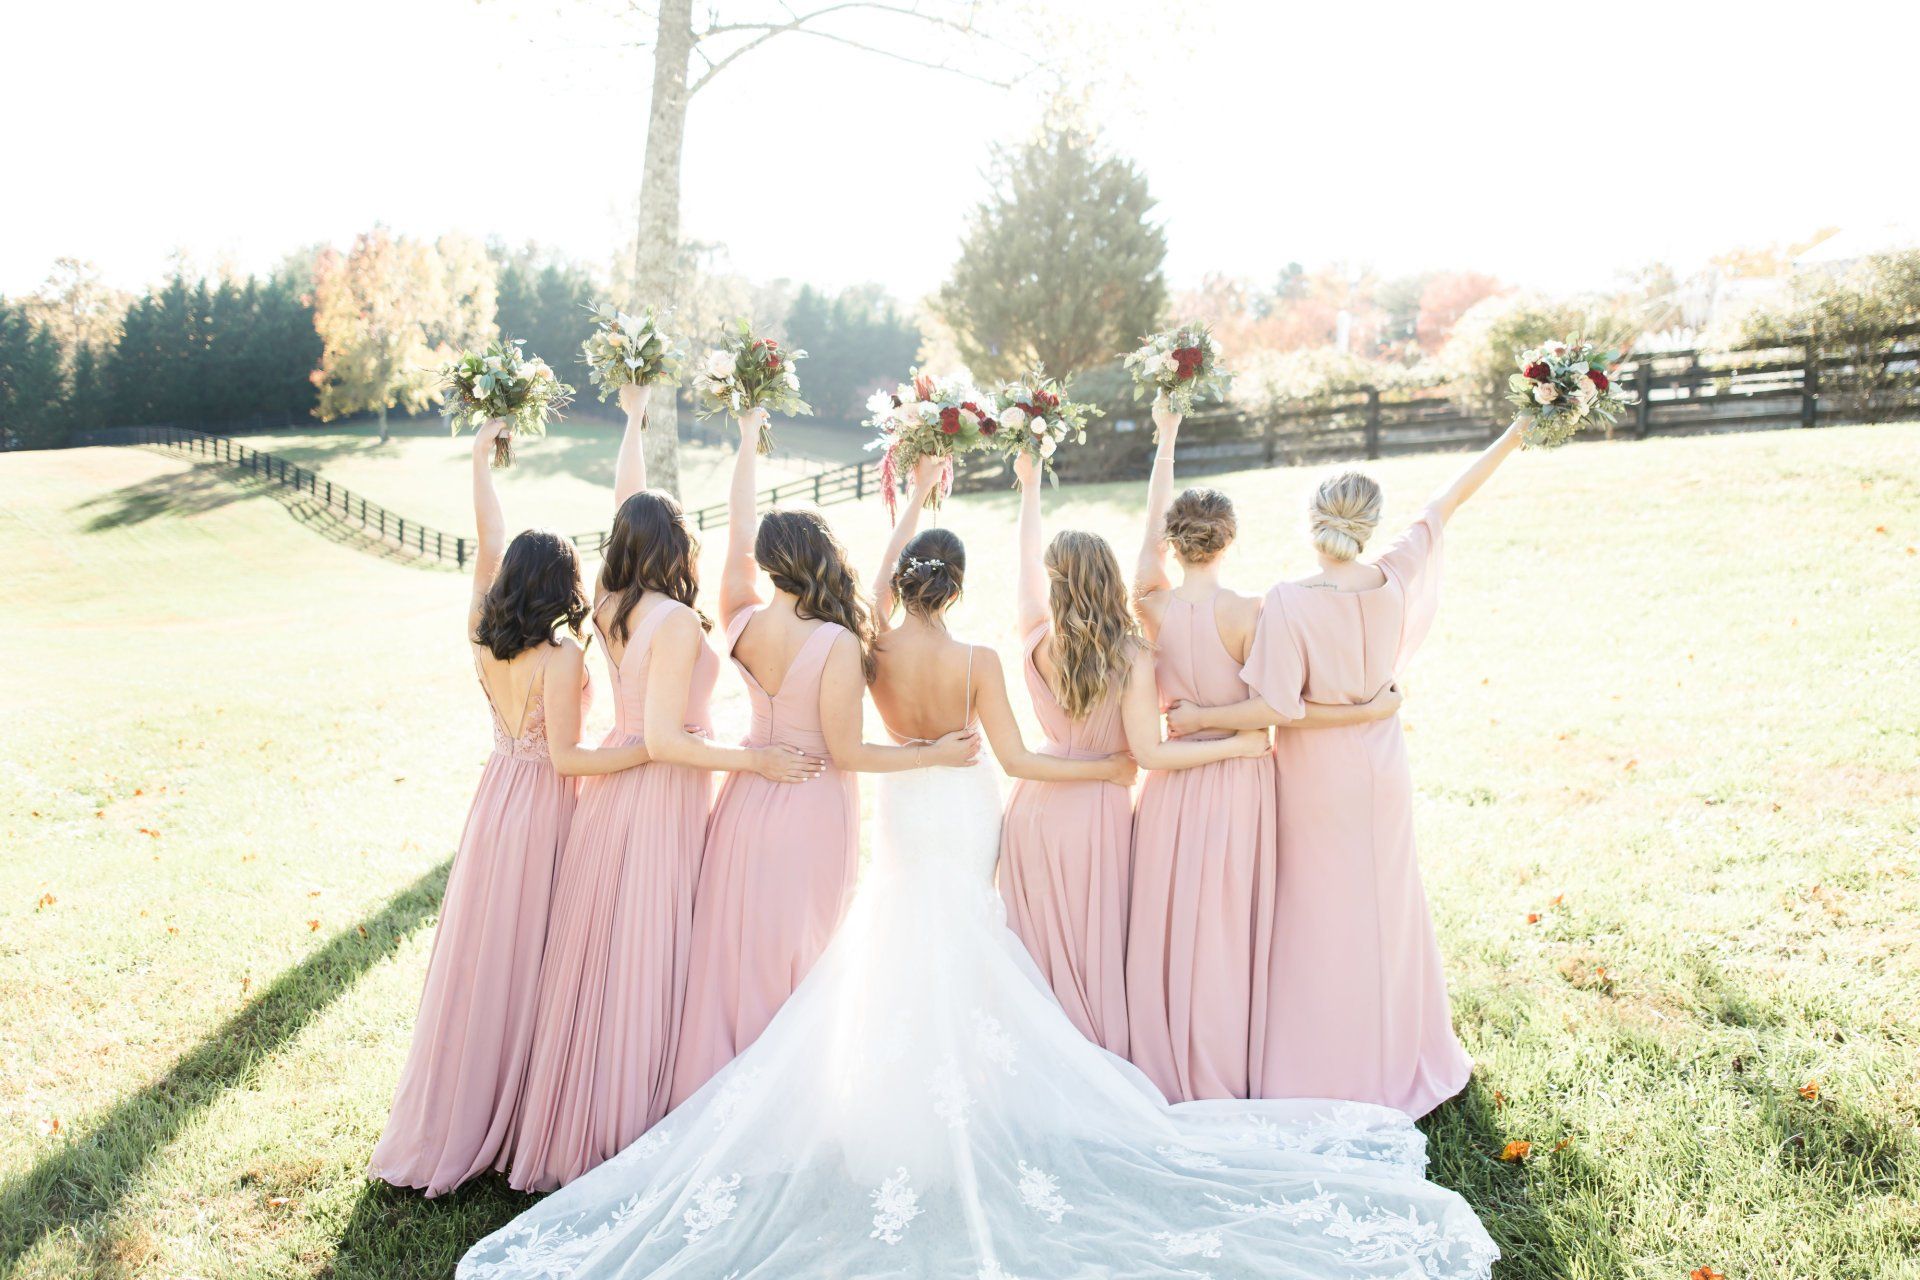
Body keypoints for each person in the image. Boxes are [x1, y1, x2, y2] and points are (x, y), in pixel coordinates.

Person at [456, 448, 1499, 1280]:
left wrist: (902, 512)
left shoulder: (861, 649)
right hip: (957, 799)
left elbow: (835, 623)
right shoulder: (983, 659)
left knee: (894, 944)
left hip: (906, 810)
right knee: (965, 947)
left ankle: (879, 1115)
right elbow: (1016, 758)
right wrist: (1108, 770)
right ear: (955, 589)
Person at [1167, 416, 1530, 1115]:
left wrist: (1201, 717)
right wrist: (1517, 431)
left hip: (1314, 781)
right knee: (1386, 909)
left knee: (1316, 918)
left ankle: (1322, 1067)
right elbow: (1446, 502)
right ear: (1368, 525)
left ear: (1313, 524)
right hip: (1383, 774)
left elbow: (1273, 706)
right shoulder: (1393, 577)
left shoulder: (1290, 601)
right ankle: (1398, 1049)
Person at [508, 386, 818, 1191]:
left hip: (614, 789)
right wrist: (758, 762)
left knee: (605, 954)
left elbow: (627, 506)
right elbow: (668, 740)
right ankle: (628, 1123)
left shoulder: (611, 604)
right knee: (644, 953)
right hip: (658, 791)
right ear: (674, 546)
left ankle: (591, 1108)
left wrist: (633, 422)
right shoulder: (675, 623)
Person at [668, 408, 977, 1107]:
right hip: (812, 808)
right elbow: (850, 753)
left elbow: (739, 538)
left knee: (734, 954)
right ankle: (789, 1103)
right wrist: (933, 755)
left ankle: (723, 1093)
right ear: (819, 555)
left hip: (745, 804)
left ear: (768, 562)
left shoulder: (741, 617)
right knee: (805, 959)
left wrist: (746, 441)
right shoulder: (838, 642)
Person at [370, 419, 643, 1197]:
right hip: (545, 808)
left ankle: (471, 1100)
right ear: (562, 586)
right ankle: (516, 1113)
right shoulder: (560, 657)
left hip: (494, 800)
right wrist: (649, 749)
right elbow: (567, 758)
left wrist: (479, 463)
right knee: (531, 960)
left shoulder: (482, 632)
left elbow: (486, 541)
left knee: (486, 955)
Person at [1127, 397, 1400, 1102]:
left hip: (1171, 787)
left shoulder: (1149, 604)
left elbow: (1147, 546)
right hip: (1242, 779)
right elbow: (1282, 706)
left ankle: (1164, 1059)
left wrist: (1166, 438)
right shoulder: (1255, 612)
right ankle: (1233, 1066)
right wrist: (1370, 707)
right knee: (1230, 931)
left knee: (1171, 927)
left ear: (1173, 541)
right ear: (1229, 541)